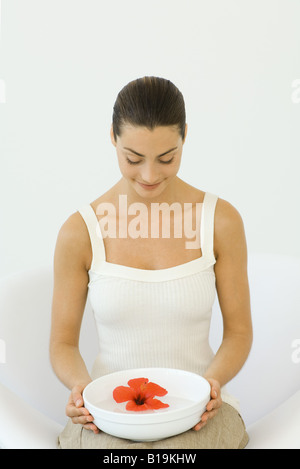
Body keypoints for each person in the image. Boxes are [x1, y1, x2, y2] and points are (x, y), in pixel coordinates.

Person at [50, 76, 252, 449]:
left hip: (198, 412)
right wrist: (82, 390)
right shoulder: (80, 231)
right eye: (133, 158)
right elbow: (62, 343)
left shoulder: (220, 222)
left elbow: (239, 333)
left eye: (166, 158)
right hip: (106, 414)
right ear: (112, 137)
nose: (149, 175)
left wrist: (211, 384)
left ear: (185, 136)